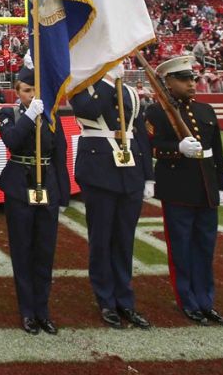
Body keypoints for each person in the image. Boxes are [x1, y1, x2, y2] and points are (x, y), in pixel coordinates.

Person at [146, 54, 223, 326]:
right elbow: (150, 146)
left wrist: (222, 186)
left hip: (206, 188)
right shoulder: (157, 112)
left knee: (205, 247)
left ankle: (206, 301)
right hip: (177, 188)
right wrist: (175, 149)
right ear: (168, 82)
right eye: (184, 79)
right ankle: (187, 300)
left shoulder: (206, 111)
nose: (192, 83)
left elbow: (217, 152)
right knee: (181, 248)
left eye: (193, 78)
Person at [68, 63, 153, 330]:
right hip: (99, 172)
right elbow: (88, 110)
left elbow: (139, 136)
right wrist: (106, 80)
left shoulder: (130, 93)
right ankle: (105, 299)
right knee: (102, 239)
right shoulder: (82, 87)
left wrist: (149, 175)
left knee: (125, 240)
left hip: (130, 174)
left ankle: (125, 300)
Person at [0, 67, 69, 335]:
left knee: (45, 251)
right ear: (17, 92)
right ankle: (27, 310)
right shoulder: (9, 114)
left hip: (46, 186)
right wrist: (29, 115)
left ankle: (43, 309)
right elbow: (13, 141)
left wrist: (62, 193)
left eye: (35, 91)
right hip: (19, 186)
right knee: (22, 249)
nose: (32, 95)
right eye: (27, 91)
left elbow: (59, 155)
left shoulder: (51, 116)